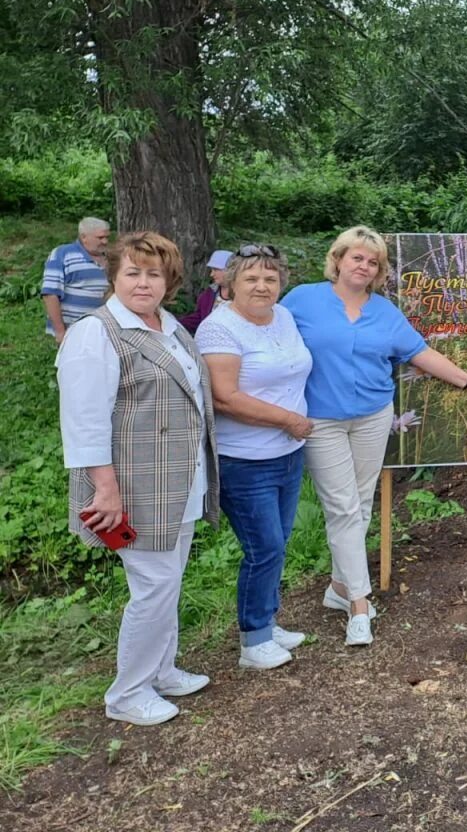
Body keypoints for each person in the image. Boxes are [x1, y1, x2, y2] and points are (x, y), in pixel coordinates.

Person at [281, 226, 467, 647]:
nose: (363, 266)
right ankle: (360, 605)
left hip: (373, 417)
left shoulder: (384, 311)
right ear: (338, 259)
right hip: (320, 421)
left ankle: (340, 588)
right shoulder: (301, 300)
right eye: (356, 257)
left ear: (379, 271)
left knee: (359, 504)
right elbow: (268, 339)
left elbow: (420, 352)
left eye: (373, 262)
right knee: (342, 507)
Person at [56, 231, 219, 726]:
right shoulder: (95, 333)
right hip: (131, 486)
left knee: (167, 582)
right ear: (114, 276)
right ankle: (127, 693)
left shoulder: (169, 327)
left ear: (169, 281)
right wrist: (105, 488)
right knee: (153, 585)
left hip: (179, 481)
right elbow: (84, 420)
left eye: (154, 273)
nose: (144, 282)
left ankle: (161, 670)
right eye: (133, 272)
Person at [196, 245, 313, 671]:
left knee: (278, 543)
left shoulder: (283, 317)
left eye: (270, 278)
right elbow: (225, 398)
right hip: (243, 460)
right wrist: (289, 420)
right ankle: (253, 639)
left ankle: (267, 619)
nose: (262, 286)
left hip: (288, 454)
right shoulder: (218, 329)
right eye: (251, 278)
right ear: (229, 283)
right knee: (263, 547)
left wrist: (293, 430)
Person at [42, 217, 110, 342]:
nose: (105, 241)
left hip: (103, 331)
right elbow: (50, 294)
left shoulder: (111, 258)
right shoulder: (63, 254)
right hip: (72, 331)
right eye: (100, 238)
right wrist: (60, 331)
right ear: (84, 237)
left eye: (107, 237)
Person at [180, 249, 233, 333]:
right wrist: (176, 324)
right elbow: (198, 318)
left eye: (215, 270)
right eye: (212, 270)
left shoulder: (244, 295)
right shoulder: (209, 294)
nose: (211, 274)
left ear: (229, 270)